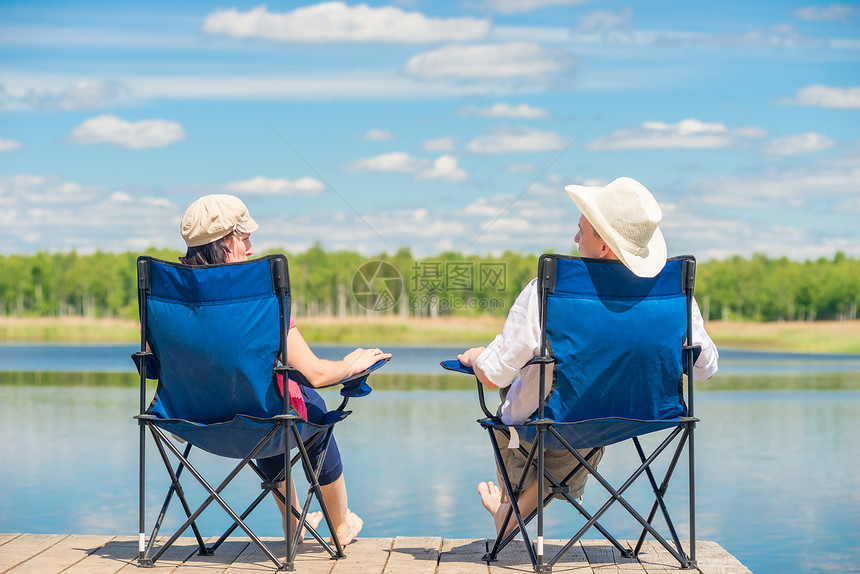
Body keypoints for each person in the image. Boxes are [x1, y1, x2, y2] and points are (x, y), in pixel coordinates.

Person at [457, 176, 719, 538]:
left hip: (555, 425)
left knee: (522, 410)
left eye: (581, 231)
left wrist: (476, 357)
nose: (575, 239)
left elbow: (494, 374)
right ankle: (519, 509)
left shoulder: (550, 290)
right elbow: (704, 369)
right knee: (578, 426)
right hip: (640, 420)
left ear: (606, 247)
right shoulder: (674, 296)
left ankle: (512, 508)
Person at [179, 194, 390, 546]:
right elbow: (317, 374)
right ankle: (341, 524)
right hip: (258, 422)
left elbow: (153, 366)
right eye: (244, 237)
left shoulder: (166, 297)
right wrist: (351, 364)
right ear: (228, 240)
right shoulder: (260, 298)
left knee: (269, 404)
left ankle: (294, 522)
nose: (250, 246)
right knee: (309, 410)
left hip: (191, 423)